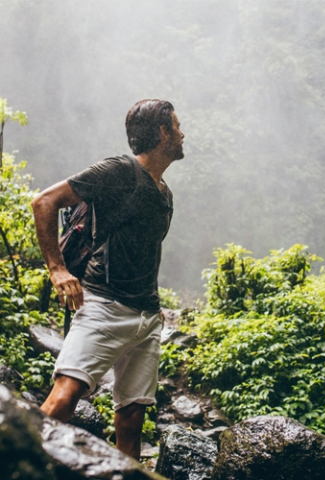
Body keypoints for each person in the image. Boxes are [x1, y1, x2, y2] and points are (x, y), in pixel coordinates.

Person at [31, 99, 185, 459]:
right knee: (65, 398)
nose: (182, 133)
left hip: (146, 320)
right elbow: (45, 202)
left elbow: (143, 252)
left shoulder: (164, 193)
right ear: (162, 133)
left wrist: (154, 304)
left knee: (131, 422)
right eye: (177, 126)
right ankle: (16, 460)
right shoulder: (119, 170)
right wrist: (57, 269)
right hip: (103, 307)